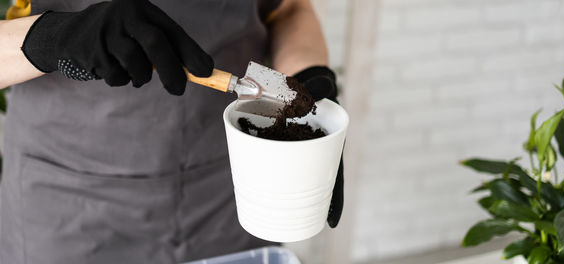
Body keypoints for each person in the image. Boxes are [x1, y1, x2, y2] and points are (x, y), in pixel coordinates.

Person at [0, 0, 344, 263]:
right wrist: (53, 38)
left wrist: (307, 80)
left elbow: (288, 10)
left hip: (230, 191)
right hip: (66, 198)